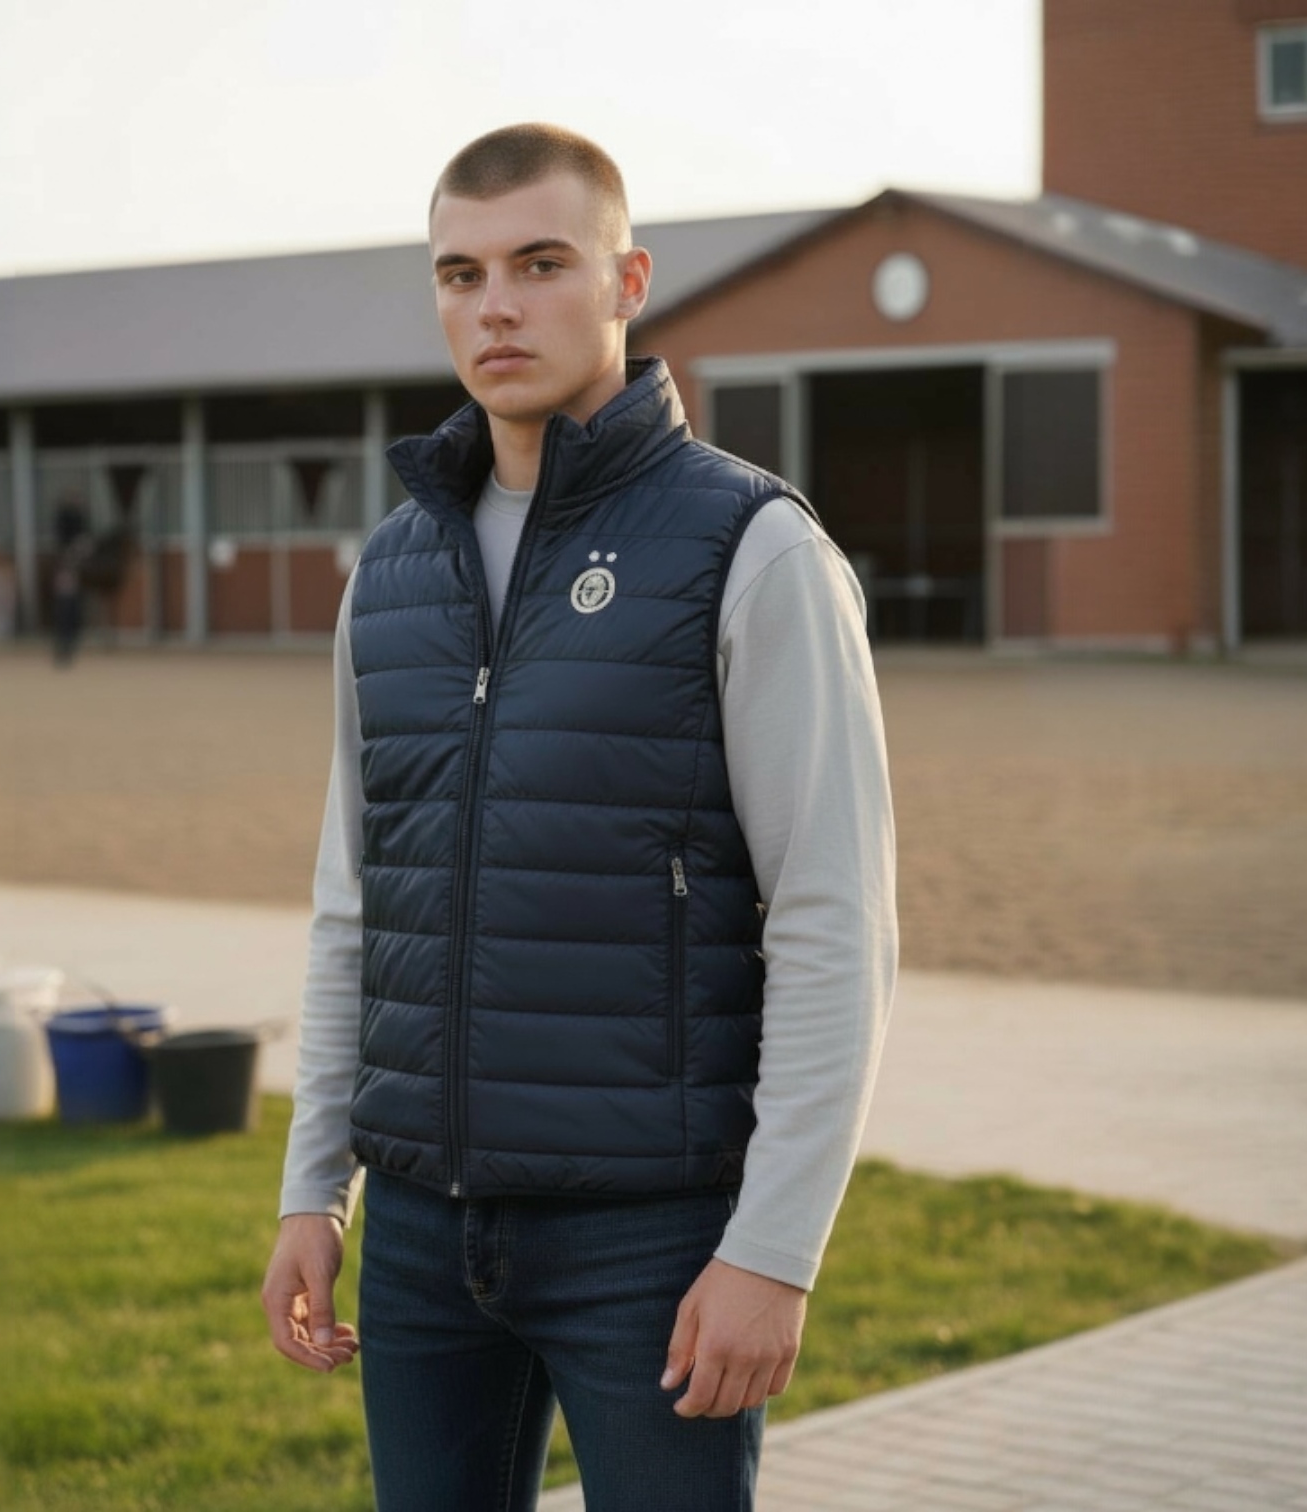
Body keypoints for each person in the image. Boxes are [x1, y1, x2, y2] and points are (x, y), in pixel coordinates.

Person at [261, 124, 896, 1512]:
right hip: (427, 1236)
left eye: (542, 264)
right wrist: (317, 1193)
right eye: (461, 273)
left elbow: (836, 922)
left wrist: (774, 1249)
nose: (497, 305)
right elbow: (355, 906)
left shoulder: (753, 547)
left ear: (627, 282)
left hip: (654, 1241)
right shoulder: (391, 572)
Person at [48, 497, 93, 667]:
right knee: (65, 616)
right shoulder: (64, 564)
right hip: (66, 605)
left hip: (71, 602)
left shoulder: (75, 563)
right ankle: (63, 649)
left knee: (71, 616)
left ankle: (68, 647)